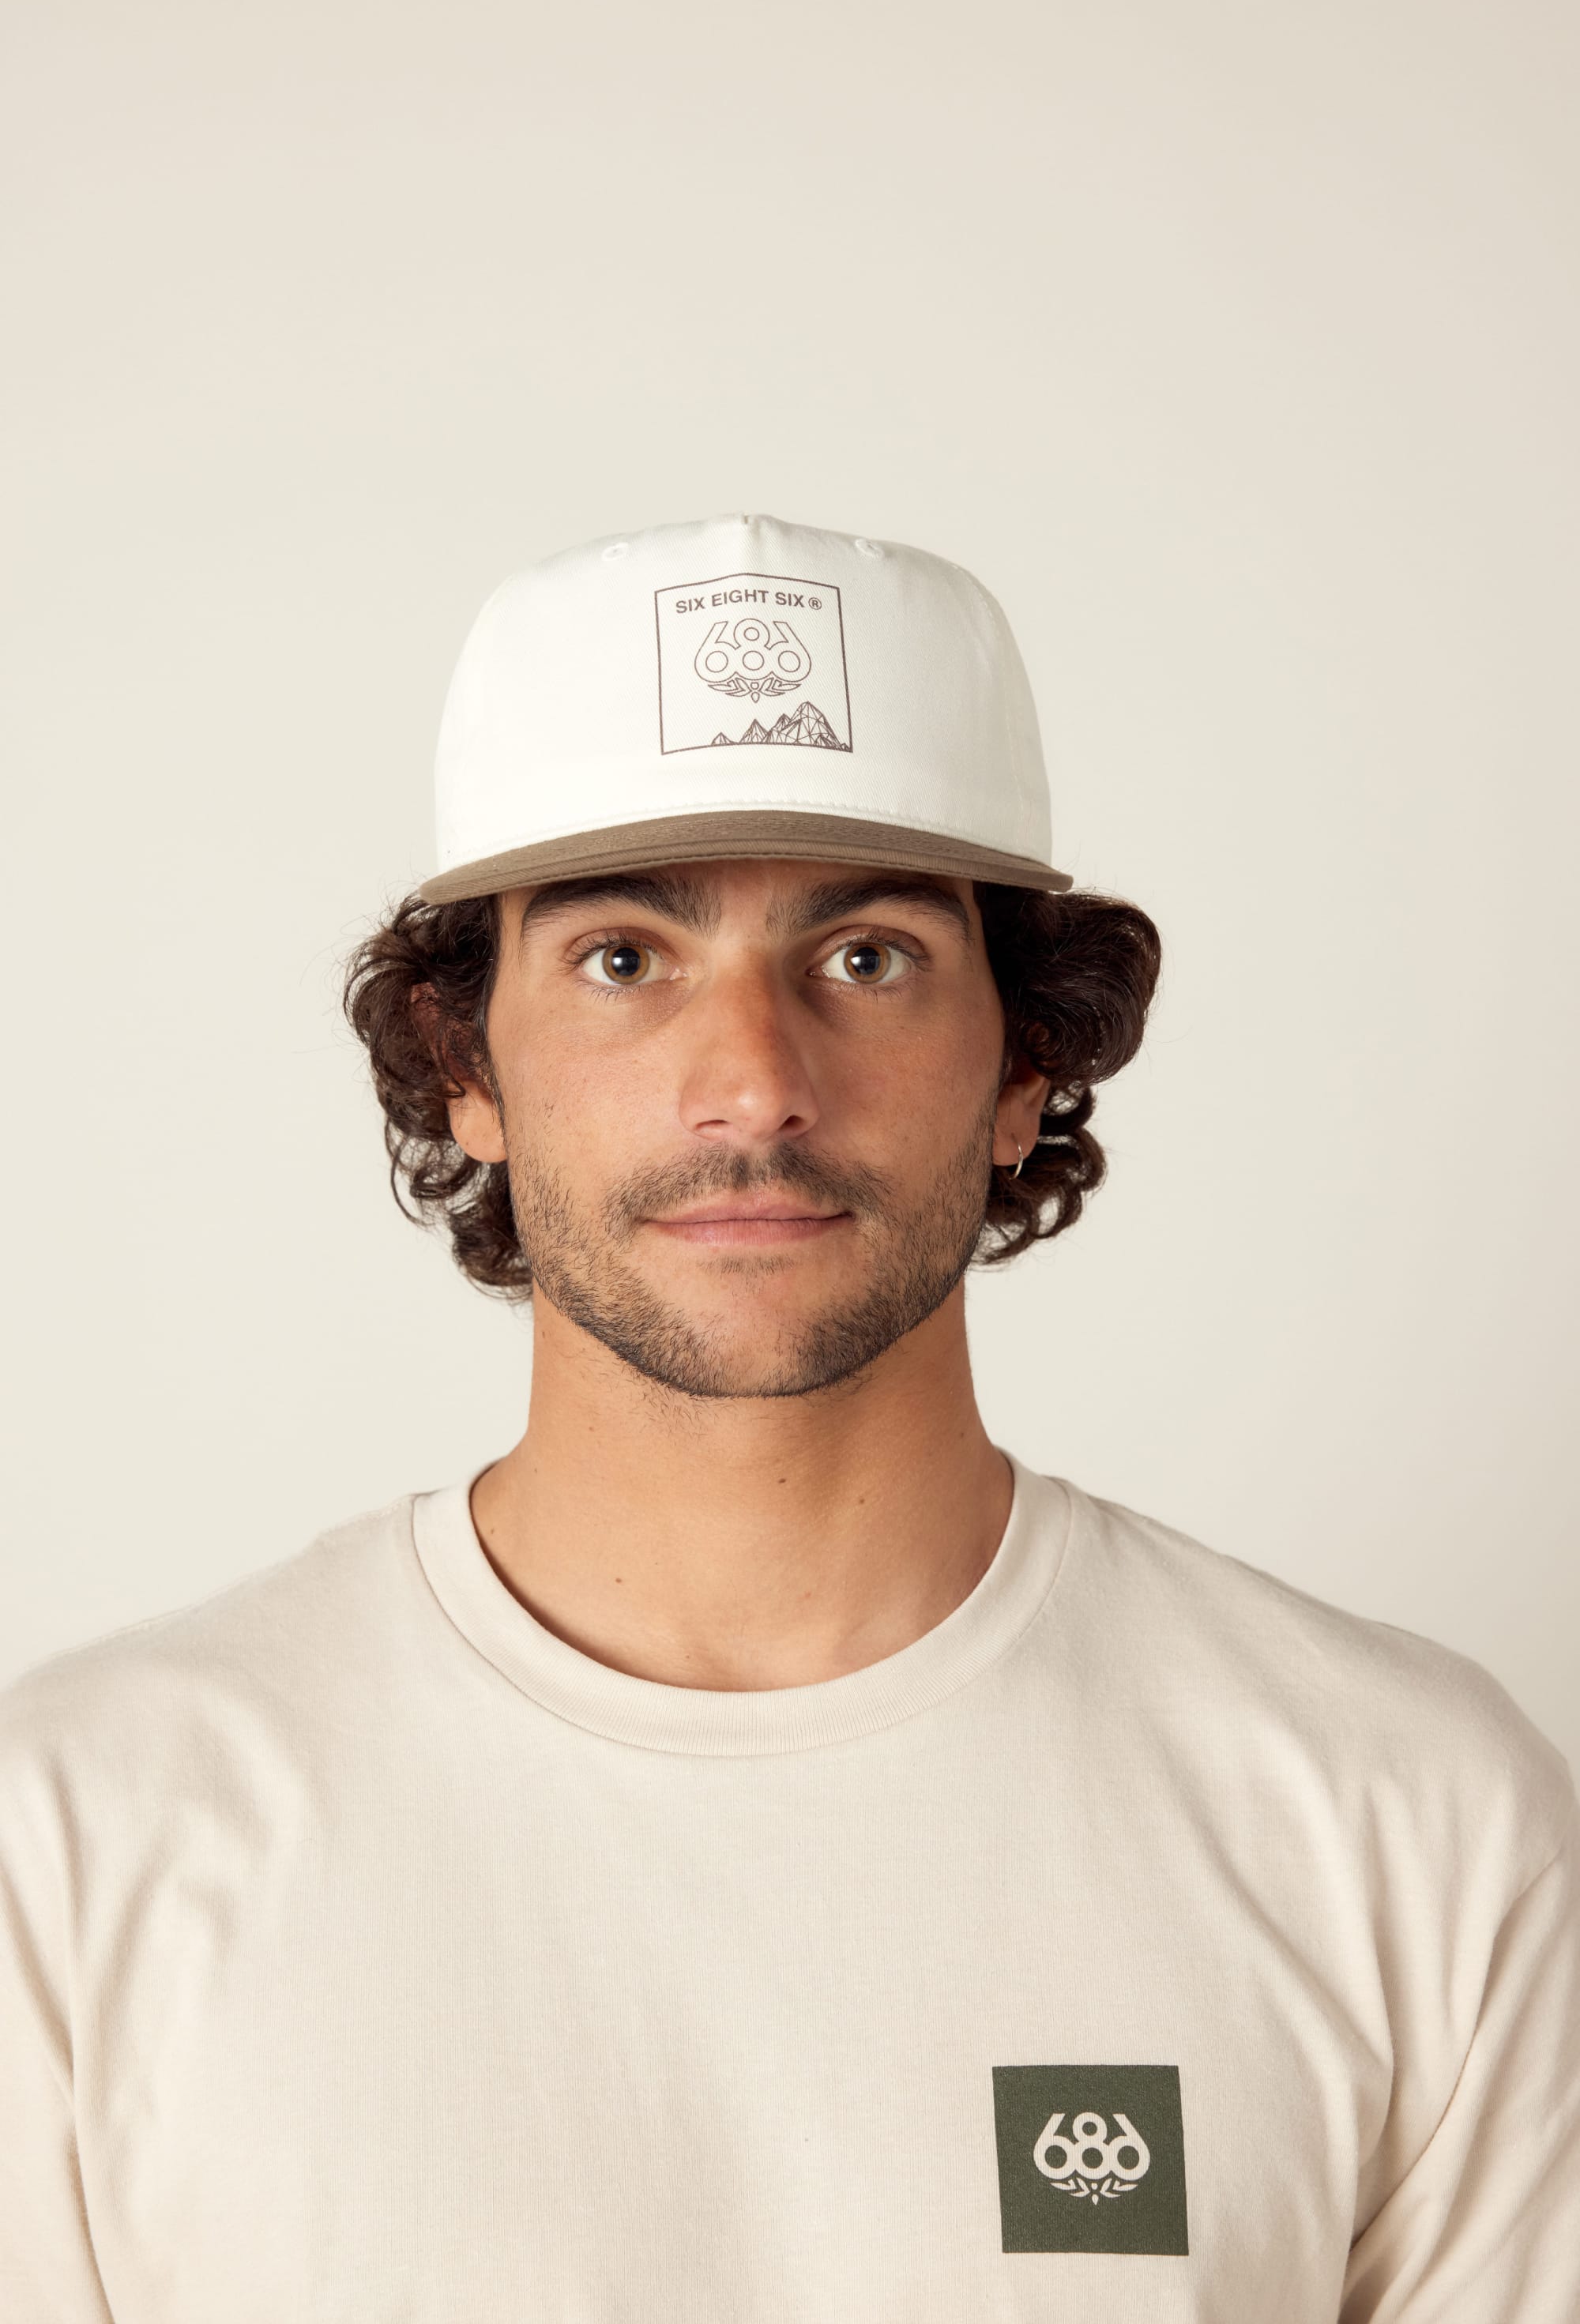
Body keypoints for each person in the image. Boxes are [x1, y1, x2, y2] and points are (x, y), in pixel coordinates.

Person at [1, 515, 1574, 2322]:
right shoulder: (77, 1844)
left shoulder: (1413, 1830)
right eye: (620, 959)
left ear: (1025, 1062)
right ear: (464, 1066)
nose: (752, 1080)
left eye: (867, 958)